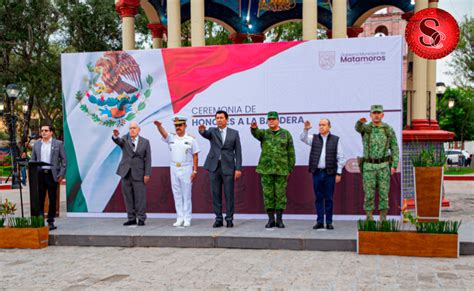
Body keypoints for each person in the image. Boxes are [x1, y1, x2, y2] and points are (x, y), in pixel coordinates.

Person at [251, 111, 295, 228]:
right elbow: (256, 133)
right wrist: (254, 129)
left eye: (273, 119)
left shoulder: (286, 134)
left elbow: (291, 152)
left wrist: (290, 168)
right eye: (269, 119)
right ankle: (271, 219)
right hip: (266, 170)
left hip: (281, 170)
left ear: (278, 120)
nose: (271, 121)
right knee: (268, 194)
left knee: (280, 195)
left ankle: (279, 220)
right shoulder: (264, 133)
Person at [355, 105, 399, 221]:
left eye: (378, 113)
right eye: (374, 113)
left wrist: (394, 165)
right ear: (370, 115)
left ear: (382, 115)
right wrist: (359, 122)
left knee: (384, 194)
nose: (376, 115)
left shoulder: (388, 129)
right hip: (369, 166)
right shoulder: (366, 128)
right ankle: (369, 219)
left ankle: (383, 219)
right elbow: (357, 128)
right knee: (369, 194)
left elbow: (394, 148)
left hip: (384, 166)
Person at [199, 110, 242, 228]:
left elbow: (238, 152)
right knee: (216, 194)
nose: (219, 120)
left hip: (228, 167)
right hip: (214, 167)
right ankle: (218, 218)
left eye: (221, 118)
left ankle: (229, 219)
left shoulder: (234, 133)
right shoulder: (212, 131)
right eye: (217, 118)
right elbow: (205, 134)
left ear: (226, 120)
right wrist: (202, 131)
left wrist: (238, 168)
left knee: (229, 195)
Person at [155, 117, 199, 227]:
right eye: (176, 126)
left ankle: (187, 218)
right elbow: (164, 134)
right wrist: (159, 126)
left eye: (180, 125)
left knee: (186, 194)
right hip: (174, 167)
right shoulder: (171, 137)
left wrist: (195, 171)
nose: (178, 127)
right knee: (177, 194)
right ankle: (180, 217)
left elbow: (195, 155)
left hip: (186, 167)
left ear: (185, 126)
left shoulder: (191, 139)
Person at [300, 119, 344, 230]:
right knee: (318, 198)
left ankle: (329, 222)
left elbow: (341, 158)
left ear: (329, 127)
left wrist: (338, 173)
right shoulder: (313, 138)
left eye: (323, 125)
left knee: (329, 198)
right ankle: (320, 221)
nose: (321, 127)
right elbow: (302, 138)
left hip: (330, 173)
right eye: (319, 125)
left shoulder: (336, 140)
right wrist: (305, 129)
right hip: (317, 172)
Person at [112, 122, 151, 226]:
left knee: (140, 197)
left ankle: (141, 218)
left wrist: (147, 173)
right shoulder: (125, 139)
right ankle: (131, 218)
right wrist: (115, 136)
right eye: (130, 128)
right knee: (128, 197)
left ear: (138, 130)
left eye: (134, 128)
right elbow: (118, 141)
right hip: (126, 173)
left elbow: (148, 159)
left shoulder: (145, 142)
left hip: (139, 173)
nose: (132, 130)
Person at [30, 124, 66, 230]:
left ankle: (51, 221)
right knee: (39, 199)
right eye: (42, 131)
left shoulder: (58, 144)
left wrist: (61, 174)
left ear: (51, 132)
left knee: (52, 198)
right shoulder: (37, 144)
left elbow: (64, 161)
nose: (43, 132)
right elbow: (33, 159)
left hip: (52, 175)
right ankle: (40, 220)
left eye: (46, 130)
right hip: (40, 175)